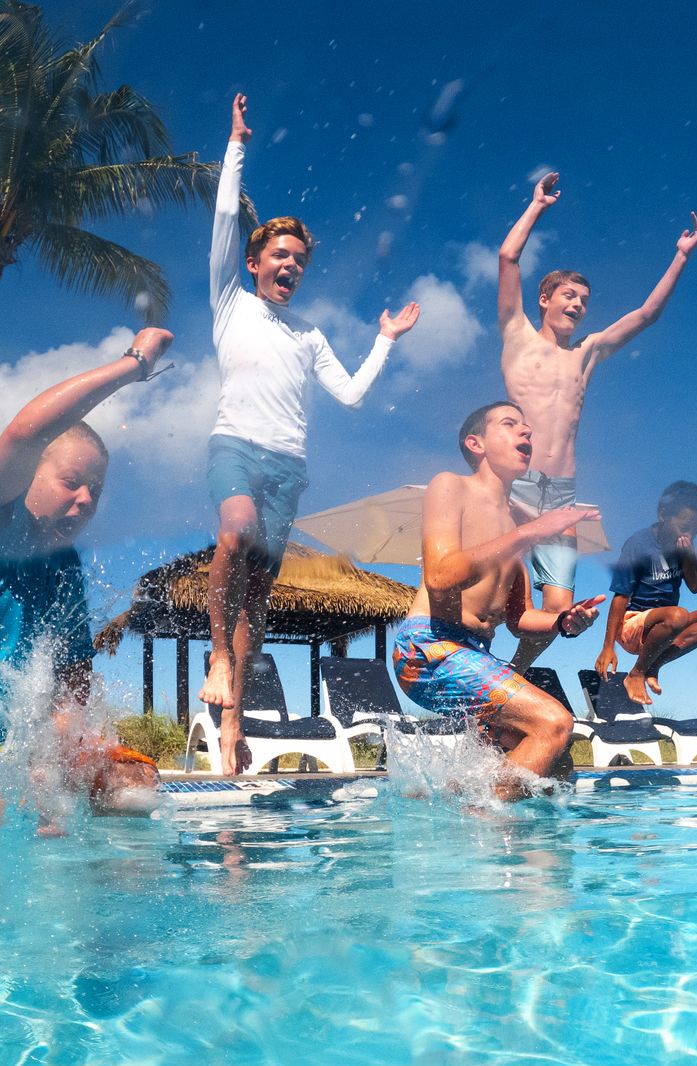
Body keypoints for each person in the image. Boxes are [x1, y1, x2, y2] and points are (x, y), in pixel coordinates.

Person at [202, 91, 421, 773]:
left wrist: (384, 340)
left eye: (300, 258)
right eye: (281, 254)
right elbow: (221, 218)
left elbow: (351, 396)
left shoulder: (310, 333)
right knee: (233, 533)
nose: (292, 265)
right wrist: (237, 144)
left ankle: (233, 713)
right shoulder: (228, 300)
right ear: (254, 261)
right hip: (235, 445)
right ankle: (216, 656)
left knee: (260, 597)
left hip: (289, 466)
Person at [0, 329, 176, 776]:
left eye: (94, 490)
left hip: (11, 760)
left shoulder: (65, 567)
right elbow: (25, 434)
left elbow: (73, 679)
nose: (84, 500)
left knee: (134, 784)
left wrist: (68, 749)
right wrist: (133, 365)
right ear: (28, 477)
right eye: (70, 481)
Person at [496, 171, 697, 667]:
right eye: (569, 296)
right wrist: (536, 207)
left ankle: (509, 681)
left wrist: (680, 256)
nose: (578, 305)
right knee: (492, 595)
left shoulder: (587, 354)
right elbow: (508, 259)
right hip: (514, 485)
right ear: (545, 300)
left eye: (585, 302)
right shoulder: (517, 335)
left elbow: (646, 314)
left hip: (563, 495)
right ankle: (474, 672)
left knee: (559, 614)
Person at [392, 402, 605, 796]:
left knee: (557, 764)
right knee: (554, 723)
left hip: (475, 653)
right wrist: (531, 532)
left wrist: (562, 621)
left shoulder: (513, 532)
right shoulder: (451, 485)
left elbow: (519, 619)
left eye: (527, 427)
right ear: (476, 443)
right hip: (428, 646)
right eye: (510, 424)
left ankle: (451, 797)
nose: (526, 432)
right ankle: (481, 833)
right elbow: (440, 577)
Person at [594, 481, 697, 706]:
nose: (689, 533)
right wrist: (608, 647)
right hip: (631, 625)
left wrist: (688, 557)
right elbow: (620, 597)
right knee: (678, 615)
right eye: (684, 526)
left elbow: (695, 587)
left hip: (664, 630)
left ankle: (652, 666)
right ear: (663, 514)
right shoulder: (639, 544)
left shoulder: (687, 548)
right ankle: (636, 674)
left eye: (695, 528)